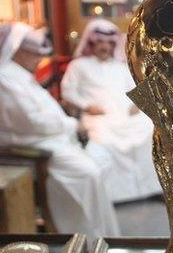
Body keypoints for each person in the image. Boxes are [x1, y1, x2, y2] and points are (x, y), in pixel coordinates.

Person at [0, 22, 119, 239]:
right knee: (87, 172)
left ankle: (102, 235)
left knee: (102, 158)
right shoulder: (5, 78)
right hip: (20, 149)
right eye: (33, 54)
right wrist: (72, 125)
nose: (39, 59)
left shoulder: (13, 74)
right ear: (17, 51)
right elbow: (33, 121)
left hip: (34, 139)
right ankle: (81, 238)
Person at [61, 19, 161, 203]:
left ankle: (150, 189)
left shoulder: (120, 67)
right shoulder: (79, 66)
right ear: (92, 43)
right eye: (100, 42)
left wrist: (136, 105)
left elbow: (135, 89)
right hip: (99, 116)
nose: (104, 46)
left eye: (108, 43)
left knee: (150, 131)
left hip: (126, 115)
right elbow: (68, 92)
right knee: (104, 140)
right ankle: (116, 196)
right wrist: (86, 106)